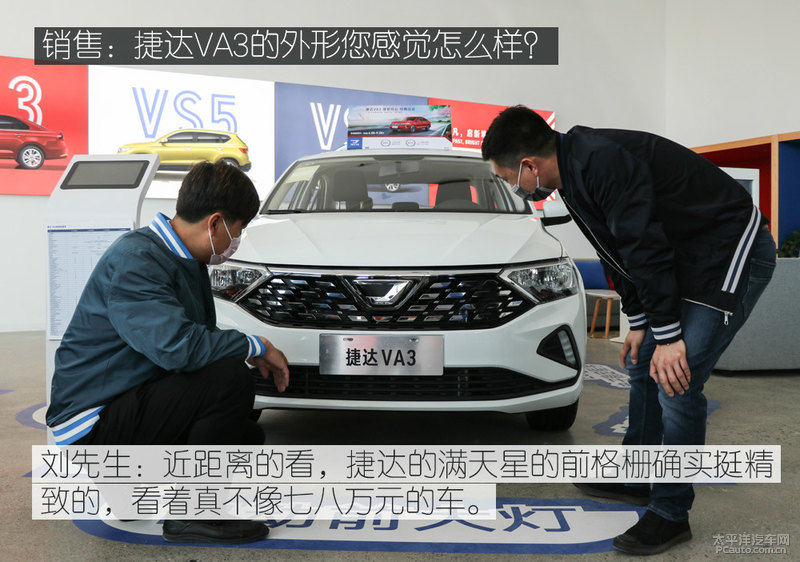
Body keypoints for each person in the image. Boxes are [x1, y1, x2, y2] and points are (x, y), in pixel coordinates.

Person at [482, 106, 776, 555]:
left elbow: (643, 246)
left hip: (729, 250)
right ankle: (638, 473)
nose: (513, 188)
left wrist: (670, 337)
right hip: (684, 258)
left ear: (529, 166)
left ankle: (671, 512)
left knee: (677, 381)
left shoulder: (602, 161)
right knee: (643, 363)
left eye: (508, 179)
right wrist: (639, 321)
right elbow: (614, 250)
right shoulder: (570, 174)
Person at [46, 160, 290, 545]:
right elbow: (179, 349)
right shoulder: (137, 260)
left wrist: (244, 346)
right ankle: (192, 515)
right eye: (238, 230)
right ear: (215, 223)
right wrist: (256, 345)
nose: (236, 241)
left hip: (122, 404)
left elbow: (190, 339)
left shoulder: (178, 257)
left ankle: (130, 490)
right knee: (231, 378)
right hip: (93, 424)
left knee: (245, 434)